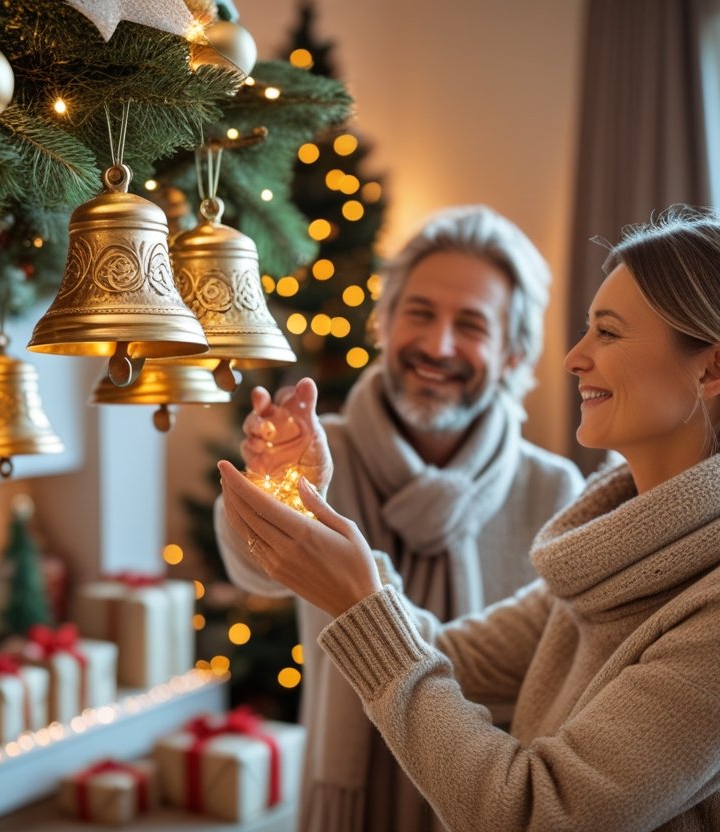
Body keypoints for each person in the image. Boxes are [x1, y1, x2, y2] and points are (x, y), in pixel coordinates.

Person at [218, 205, 720, 831]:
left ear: (713, 368)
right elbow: (444, 656)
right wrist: (336, 558)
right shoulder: (620, 550)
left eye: (607, 332)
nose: (573, 357)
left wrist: (361, 601)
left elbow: (533, 815)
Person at [214, 205, 584, 831]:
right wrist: (272, 484)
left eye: (471, 325)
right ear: (384, 324)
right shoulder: (318, 449)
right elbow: (258, 572)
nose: (438, 345)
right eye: (419, 314)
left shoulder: (551, 488)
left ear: (513, 354)